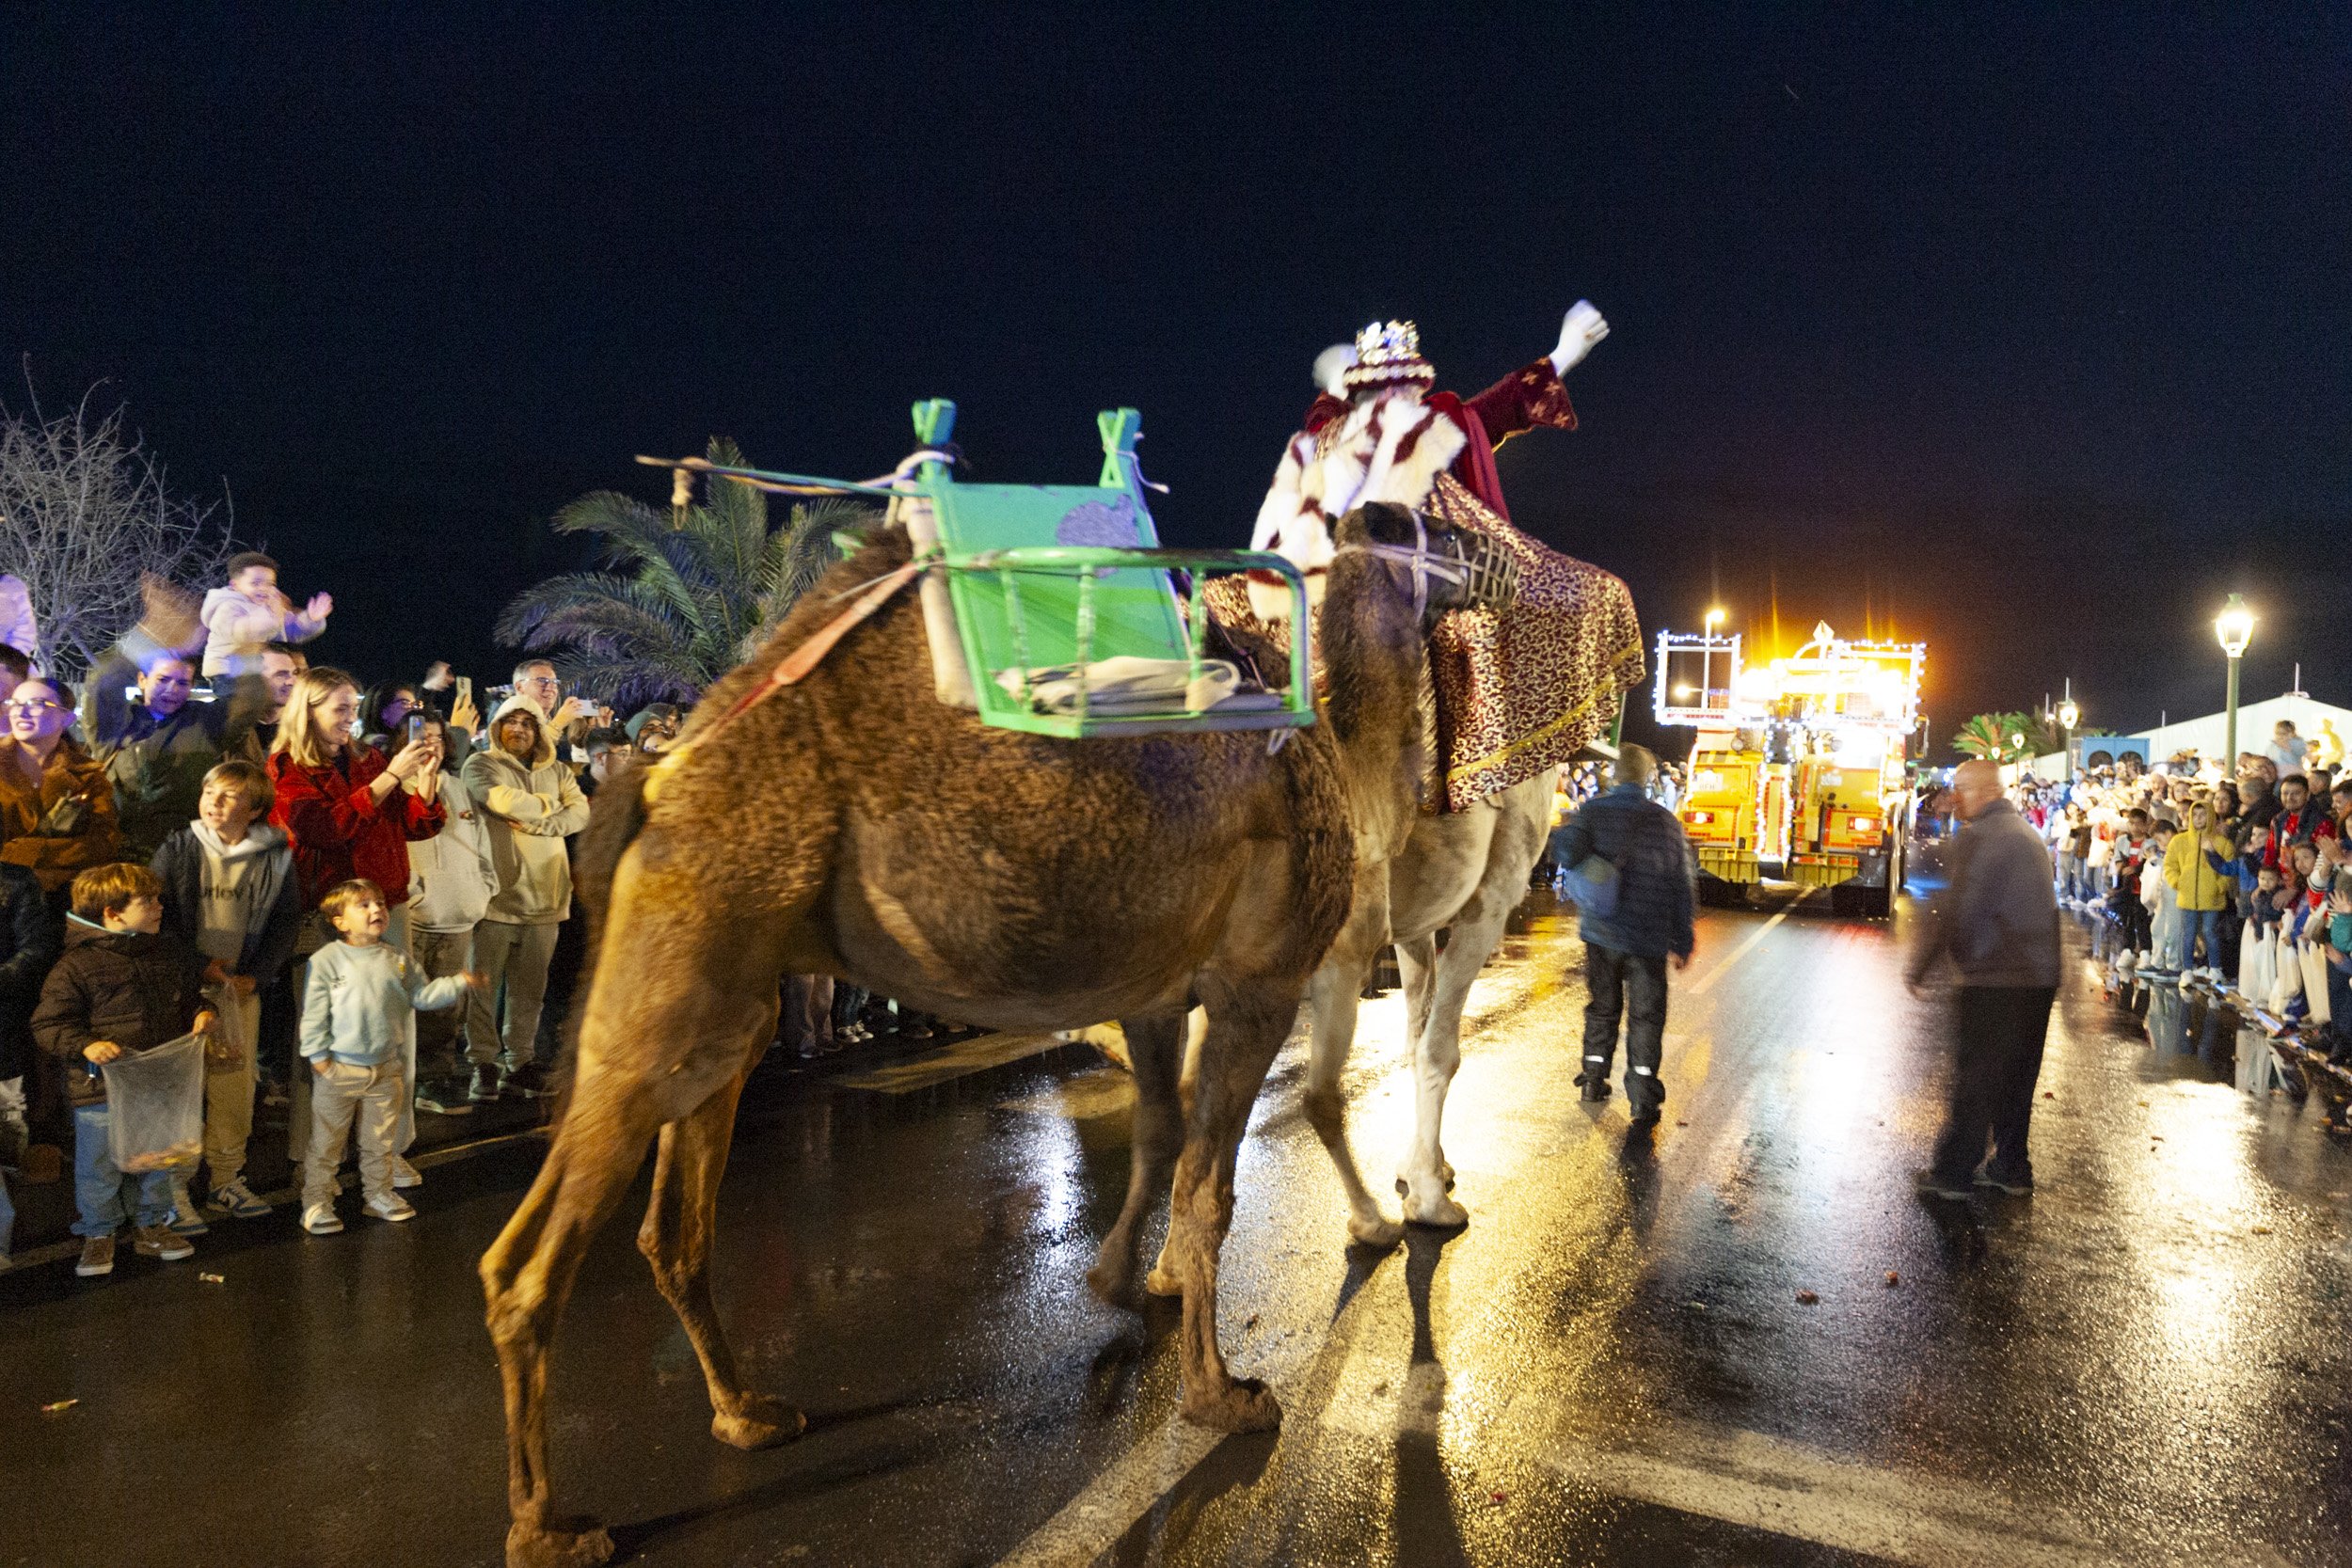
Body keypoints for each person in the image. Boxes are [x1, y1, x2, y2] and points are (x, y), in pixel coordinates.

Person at [267, 667, 447, 1184]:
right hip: (329, 918)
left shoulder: (368, 760)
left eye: (353, 706)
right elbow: (324, 829)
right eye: (339, 709)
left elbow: (414, 823)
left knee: (393, 1037)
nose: (351, 719)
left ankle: (386, 1148)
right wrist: (392, 777)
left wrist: (426, 786)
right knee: (327, 1040)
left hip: (386, 912)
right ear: (309, 710)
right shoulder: (286, 769)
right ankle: (315, 1155)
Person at [32, 863, 218, 1277]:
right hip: (101, 1091)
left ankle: (151, 1226)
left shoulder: (166, 952)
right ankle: (99, 1234)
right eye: (146, 901)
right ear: (112, 913)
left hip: (156, 1084)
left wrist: (204, 1013)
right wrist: (87, 1046)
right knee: (100, 1168)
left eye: (157, 898)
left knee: (156, 1161)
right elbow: (48, 1026)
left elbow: (191, 997)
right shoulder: (76, 966)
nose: (158, 907)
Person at [151, 759, 300, 1220]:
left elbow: (285, 922)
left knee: (234, 1083)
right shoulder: (178, 848)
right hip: (183, 988)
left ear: (254, 809)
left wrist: (257, 974)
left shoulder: (275, 857)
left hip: (238, 989)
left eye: (229, 795)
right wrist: (197, 967)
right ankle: (174, 1186)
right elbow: (157, 918)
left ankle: (225, 1178)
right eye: (209, 791)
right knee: (181, 1087)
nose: (214, 802)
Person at [1907, 759, 2060, 1199]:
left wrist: (1928, 965)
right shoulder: (2022, 833)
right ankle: (2011, 1167)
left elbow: (1963, 909)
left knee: (1975, 1077)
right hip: (2036, 974)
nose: (1954, 798)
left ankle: (1953, 1173)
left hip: (1998, 976)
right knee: (2016, 1076)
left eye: (1962, 789)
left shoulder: (1985, 838)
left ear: (1987, 791)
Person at [297, 879, 475, 1233]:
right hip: (339, 1068)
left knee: (379, 1140)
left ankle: (378, 1194)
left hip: (385, 1068)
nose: (377, 910)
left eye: (379, 902)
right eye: (363, 905)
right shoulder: (327, 961)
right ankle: (316, 1201)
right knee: (327, 1142)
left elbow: (422, 996)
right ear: (340, 921)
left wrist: (457, 983)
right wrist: (318, 1057)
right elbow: (314, 1012)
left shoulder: (396, 959)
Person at [1549, 744, 1694, 1125]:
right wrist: (1683, 939)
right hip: (1648, 936)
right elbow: (1681, 883)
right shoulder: (1666, 822)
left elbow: (1564, 851)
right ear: (1647, 778)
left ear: (1614, 776)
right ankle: (1643, 1098)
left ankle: (1594, 1081)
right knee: (1646, 1017)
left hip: (1601, 931)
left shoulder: (1593, 812)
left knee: (1602, 1008)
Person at [462, 696, 588, 1101]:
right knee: (482, 989)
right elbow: (500, 800)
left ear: (537, 730)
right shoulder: (480, 765)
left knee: (529, 991)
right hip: (497, 899)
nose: (519, 729)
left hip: (547, 899)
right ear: (498, 727)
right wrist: (553, 808)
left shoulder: (558, 770)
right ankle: (482, 1062)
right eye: (510, 722)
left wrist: (537, 826)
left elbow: (581, 815)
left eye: (527, 723)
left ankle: (520, 1063)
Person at [404, 716, 501, 1116]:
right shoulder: (398, 787)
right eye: (423, 738)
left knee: (446, 1008)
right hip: (413, 915)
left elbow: (480, 844)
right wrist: (413, 894)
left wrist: (483, 889)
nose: (433, 745)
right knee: (404, 1003)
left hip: (459, 911)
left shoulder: (458, 788)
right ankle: (400, 1082)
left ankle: (436, 1077)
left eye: (439, 738)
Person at [0, 675, 121, 906]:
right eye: (14, 704)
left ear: (67, 718)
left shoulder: (87, 775)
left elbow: (103, 843)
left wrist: (23, 852)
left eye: (36, 704)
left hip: (62, 900)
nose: (20, 712)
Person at [199, 551, 332, 678]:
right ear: (235, 585)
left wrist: (311, 619)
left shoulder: (271, 609)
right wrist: (273, 616)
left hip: (257, 674)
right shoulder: (228, 607)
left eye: (270, 584)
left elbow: (292, 631)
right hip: (226, 671)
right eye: (255, 583)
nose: (263, 588)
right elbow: (244, 632)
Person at [2164, 800, 2233, 981]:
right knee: (2189, 933)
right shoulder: (2179, 841)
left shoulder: (2222, 843)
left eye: (2203, 814)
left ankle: (2215, 967)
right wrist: (2177, 882)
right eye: (2194, 814)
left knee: (2210, 932)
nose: (2198, 818)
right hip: (2187, 896)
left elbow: (2229, 869)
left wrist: (2219, 886)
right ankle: (2187, 969)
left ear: (2210, 816)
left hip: (2212, 897)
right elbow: (2170, 865)